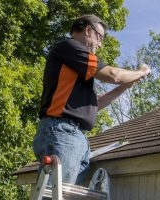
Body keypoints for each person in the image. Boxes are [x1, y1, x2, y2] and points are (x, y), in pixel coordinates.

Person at [32, 14, 151, 186]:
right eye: (99, 37)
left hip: (74, 136)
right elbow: (114, 75)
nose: (100, 44)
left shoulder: (77, 69)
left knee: (65, 196)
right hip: (61, 131)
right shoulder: (69, 47)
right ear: (88, 30)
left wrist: (126, 86)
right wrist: (141, 72)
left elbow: (96, 104)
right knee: (56, 195)